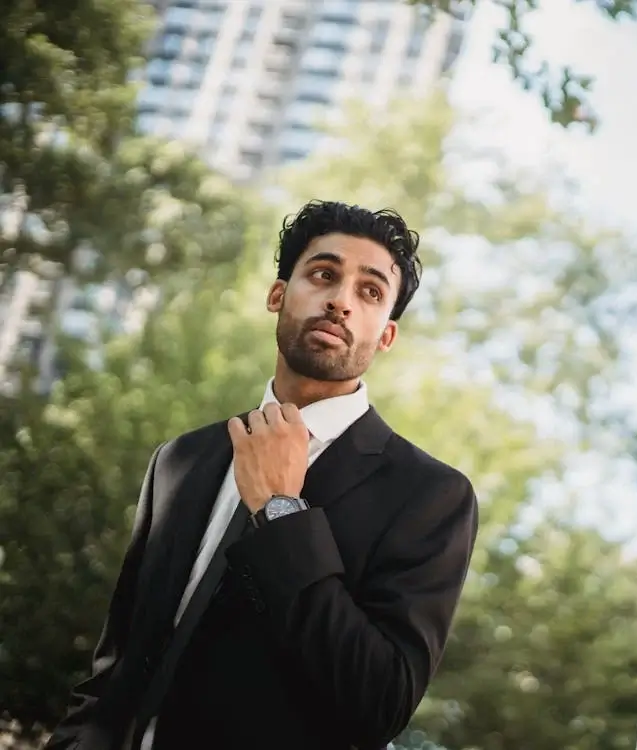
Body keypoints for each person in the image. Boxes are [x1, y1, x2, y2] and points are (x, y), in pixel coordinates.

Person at [46, 201, 479, 750]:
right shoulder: (180, 461)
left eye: (369, 292)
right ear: (279, 295)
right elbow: (116, 667)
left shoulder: (430, 496)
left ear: (386, 335)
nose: (341, 300)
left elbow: (380, 701)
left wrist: (280, 511)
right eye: (324, 275)